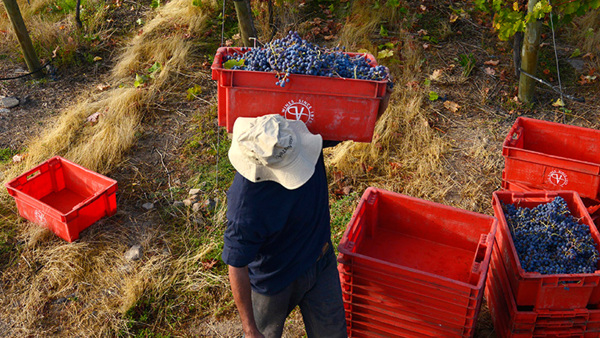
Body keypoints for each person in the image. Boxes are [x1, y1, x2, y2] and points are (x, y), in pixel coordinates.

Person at [222, 114, 347, 338]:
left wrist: (382, 101)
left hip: (320, 261)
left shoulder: (301, 143)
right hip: (273, 283)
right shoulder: (246, 205)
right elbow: (236, 264)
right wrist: (250, 330)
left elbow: (354, 127)